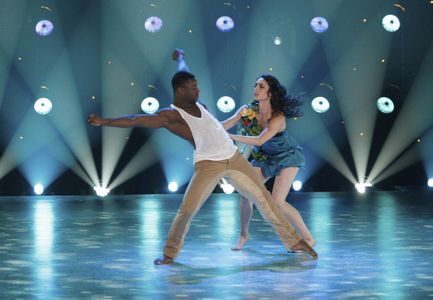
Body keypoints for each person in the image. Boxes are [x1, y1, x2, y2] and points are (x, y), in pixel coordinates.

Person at [87, 50, 318, 265]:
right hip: (209, 165)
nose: (198, 90)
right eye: (193, 87)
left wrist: (181, 57)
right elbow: (135, 119)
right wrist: (104, 121)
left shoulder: (201, 105)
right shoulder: (171, 117)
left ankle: (294, 241)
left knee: (266, 201)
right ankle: (169, 253)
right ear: (181, 91)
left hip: (234, 157)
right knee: (187, 210)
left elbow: (183, 73)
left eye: (197, 86)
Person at [221, 74, 316, 250]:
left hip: (287, 157)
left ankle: (308, 239)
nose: (256, 89)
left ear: (270, 93)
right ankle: (243, 236)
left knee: (278, 202)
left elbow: (259, 140)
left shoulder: (278, 117)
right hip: (264, 157)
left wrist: (231, 137)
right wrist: (205, 127)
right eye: (255, 85)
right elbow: (225, 124)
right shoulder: (247, 110)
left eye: (261, 86)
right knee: (246, 192)